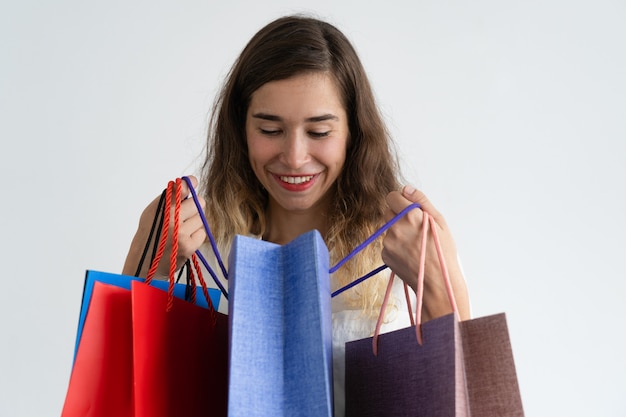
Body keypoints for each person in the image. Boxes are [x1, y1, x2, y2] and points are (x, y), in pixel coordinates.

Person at [122, 14, 470, 416]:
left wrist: (443, 291)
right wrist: (142, 264)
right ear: (240, 128)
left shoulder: (408, 251)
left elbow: (467, 403)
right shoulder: (202, 246)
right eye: (270, 130)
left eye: (319, 132)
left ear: (353, 131)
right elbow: (126, 393)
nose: (295, 157)